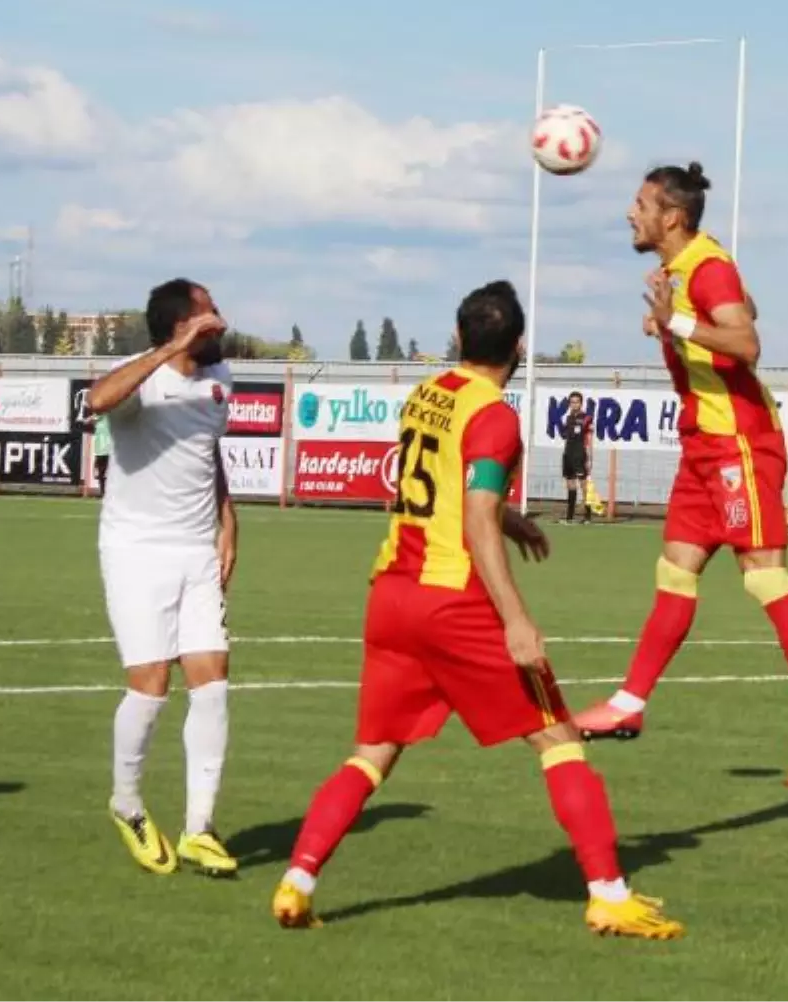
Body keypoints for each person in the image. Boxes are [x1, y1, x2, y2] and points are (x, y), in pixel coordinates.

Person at [272, 280, 684, 940]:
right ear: (519, 347)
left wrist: (509, 518)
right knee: (559, 738)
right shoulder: (495, 416)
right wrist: (516, 617)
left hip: (391, 595)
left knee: (372, 753)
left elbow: (447, 491)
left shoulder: (427, 393)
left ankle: (298, 880)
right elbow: (475, 515)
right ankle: (608, 894)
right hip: (451, 604)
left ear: (459, 339)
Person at [574, 164, 788, 789]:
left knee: (765, 578)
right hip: (701, 445)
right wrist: (676, 322)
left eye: (641, 203)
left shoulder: (704, 266)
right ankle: (629, 703)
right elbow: (743, 306)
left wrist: (675, 324)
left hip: (740, 445)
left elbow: (747, 341)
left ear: (672, 216)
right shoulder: (689, 269)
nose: (630, 213)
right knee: (675, 572)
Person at [87, 277, 240, 877]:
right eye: (208, 316)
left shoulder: (220, 381)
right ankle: (126, 805)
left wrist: (228, 521)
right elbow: (98, 400)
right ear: (181, 326)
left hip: (196, 550)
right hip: (135, 551)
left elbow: (208, 454)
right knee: (150, 685)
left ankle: (200, 827)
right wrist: (166, 352)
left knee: (213, 678)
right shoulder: (138, 380)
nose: (221, 323)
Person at [559, 391, 593, 524]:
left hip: (580, 454)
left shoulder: (586, 418)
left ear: (581, 403)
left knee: (583, 484)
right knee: (570, 484)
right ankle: (570, 517)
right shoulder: (568, 418)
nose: (574, 404)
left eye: (576, 402)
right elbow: (565, 435)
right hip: (568, 453)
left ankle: (587, 516)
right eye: (572, 402)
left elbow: (589, 438)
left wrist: (590, 457)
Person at [93, 411, 112, 496]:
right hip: (99, 451)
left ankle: (107, 491)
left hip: (108, 450)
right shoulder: (97, 422)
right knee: (101, 473)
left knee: (108, 472)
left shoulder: (107, 418)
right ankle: (103, 491)